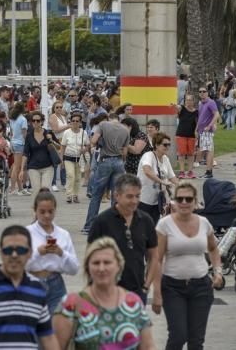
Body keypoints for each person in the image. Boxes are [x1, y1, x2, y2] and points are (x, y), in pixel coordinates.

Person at [0, 224, 60, 350]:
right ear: (1, 252)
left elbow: (48, 338)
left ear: (29, 253)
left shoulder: (37, 288)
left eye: (21, 250)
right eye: (8, 250)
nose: (14, 255)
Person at [53, 236, 156, 350]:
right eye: (96, 263)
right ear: (88, 268)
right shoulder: (71, 305)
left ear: (119, 266)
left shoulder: (133, 303)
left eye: (107, 262)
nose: (101, 268)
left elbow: (148, 346)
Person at [154, 182, 223, 350]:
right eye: (180, 199)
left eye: (188, 199)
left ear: (195, 202)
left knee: (196, 341)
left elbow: (213, 249)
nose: (184, 202)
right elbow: (157, 259)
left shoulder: (204, 222)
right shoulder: (165, 225)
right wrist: (156, 292)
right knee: (178, 336)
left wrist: (218, 272)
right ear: (174, 201)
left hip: (201, 287)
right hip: (173, 287)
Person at [88, 173, 159, 303]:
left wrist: (146, 287)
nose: (135, 201)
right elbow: (90, 258)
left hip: (137, 294)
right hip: (106, 293)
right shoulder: (102, 222)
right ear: (117, 196)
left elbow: (154, 256)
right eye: (129, 196)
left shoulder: (146, 221)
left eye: (138, 196)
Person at [26, 189, 79, 313]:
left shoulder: (63, 234)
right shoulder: (27, 233)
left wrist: (61, 253)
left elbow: (74, 269)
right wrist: (38, 252)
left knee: (58, 325)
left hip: (56, 284)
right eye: (42, 212)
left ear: (55, 210)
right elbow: (20, 265)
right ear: (35, 211)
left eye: (50, 211)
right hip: (32, 282)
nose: (47, 216)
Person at [82, 115, 129, 234]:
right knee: (116, 196)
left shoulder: (103, 125)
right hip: (119, 162)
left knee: (97, 194)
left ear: (109, 119)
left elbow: (93, 141)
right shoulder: (125, 130)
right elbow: (125, 152)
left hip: (105, 161)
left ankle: (89, 226)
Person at [137, 132, 179, 224]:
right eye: (165, 144)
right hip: (144, 199)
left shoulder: (165, 159)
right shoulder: (148, 156)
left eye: (169, 144)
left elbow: (172, 177)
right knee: (143, 226)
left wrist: (184, 187)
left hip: (157, 200)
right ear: (156, 145)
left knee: (154, 225)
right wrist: (162, 182)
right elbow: (147, 170)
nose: (167, 147)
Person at [21, 111, 60, 195]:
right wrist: (21, 169)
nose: (35, 122)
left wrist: (51, 140)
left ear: (42, 122)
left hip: (48, 166)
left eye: (38, 120)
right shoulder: (29, 136)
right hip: (33, 167)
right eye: (33, 120)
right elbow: (25, 153)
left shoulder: (48, 133)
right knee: (36, 192)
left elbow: (59, 147)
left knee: (45, 191)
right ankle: (37, 208)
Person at [60, 110, 89, 203]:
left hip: (79, 158)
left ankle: (75, 195)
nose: (75, 122)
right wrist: (61, 159)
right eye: (73, 121)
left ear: (80, 122)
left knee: (78, 178)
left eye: (77, 121)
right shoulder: (66, 133)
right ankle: (69, 195)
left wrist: (84, 149)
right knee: (70, 175)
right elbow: (63, 146)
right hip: (68, 157)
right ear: (70, 121)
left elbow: (88, 144)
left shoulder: (84, 133)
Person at [195, 87, 219, 179]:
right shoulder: (201, 103)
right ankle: (208, 171)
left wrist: (210, 125)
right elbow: (200, 117)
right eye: (200, 91)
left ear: (207, 93)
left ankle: (209, 172)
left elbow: (216, 114)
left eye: (204, 91)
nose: (202, 93)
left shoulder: (211, 102)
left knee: (208, 151)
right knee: (207, 150)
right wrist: (196, 128)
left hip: (207, 131)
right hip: (202, 131)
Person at [173, 93, 198, 178]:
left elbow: (198, 123)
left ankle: (190, 171)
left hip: (192, 135)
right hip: (181, 134)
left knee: (191, 154)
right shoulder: (182, 109)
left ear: (193, 101)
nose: (188, 102)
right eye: (187, 100)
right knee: (182, 153)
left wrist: (196, 132)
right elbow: (178, 107)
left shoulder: (196, 112)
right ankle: (182, 171)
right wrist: (174, 105)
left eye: (190, 100)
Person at [9, 101, 29, 195]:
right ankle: (13, 189)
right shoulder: (23, 119)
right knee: (17, 167)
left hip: (13, 142)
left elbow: (12, 133)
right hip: (20, 143)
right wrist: (27, 143)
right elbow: (24, 133)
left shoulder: (13, 118)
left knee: (16, 166)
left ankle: (20, 188)